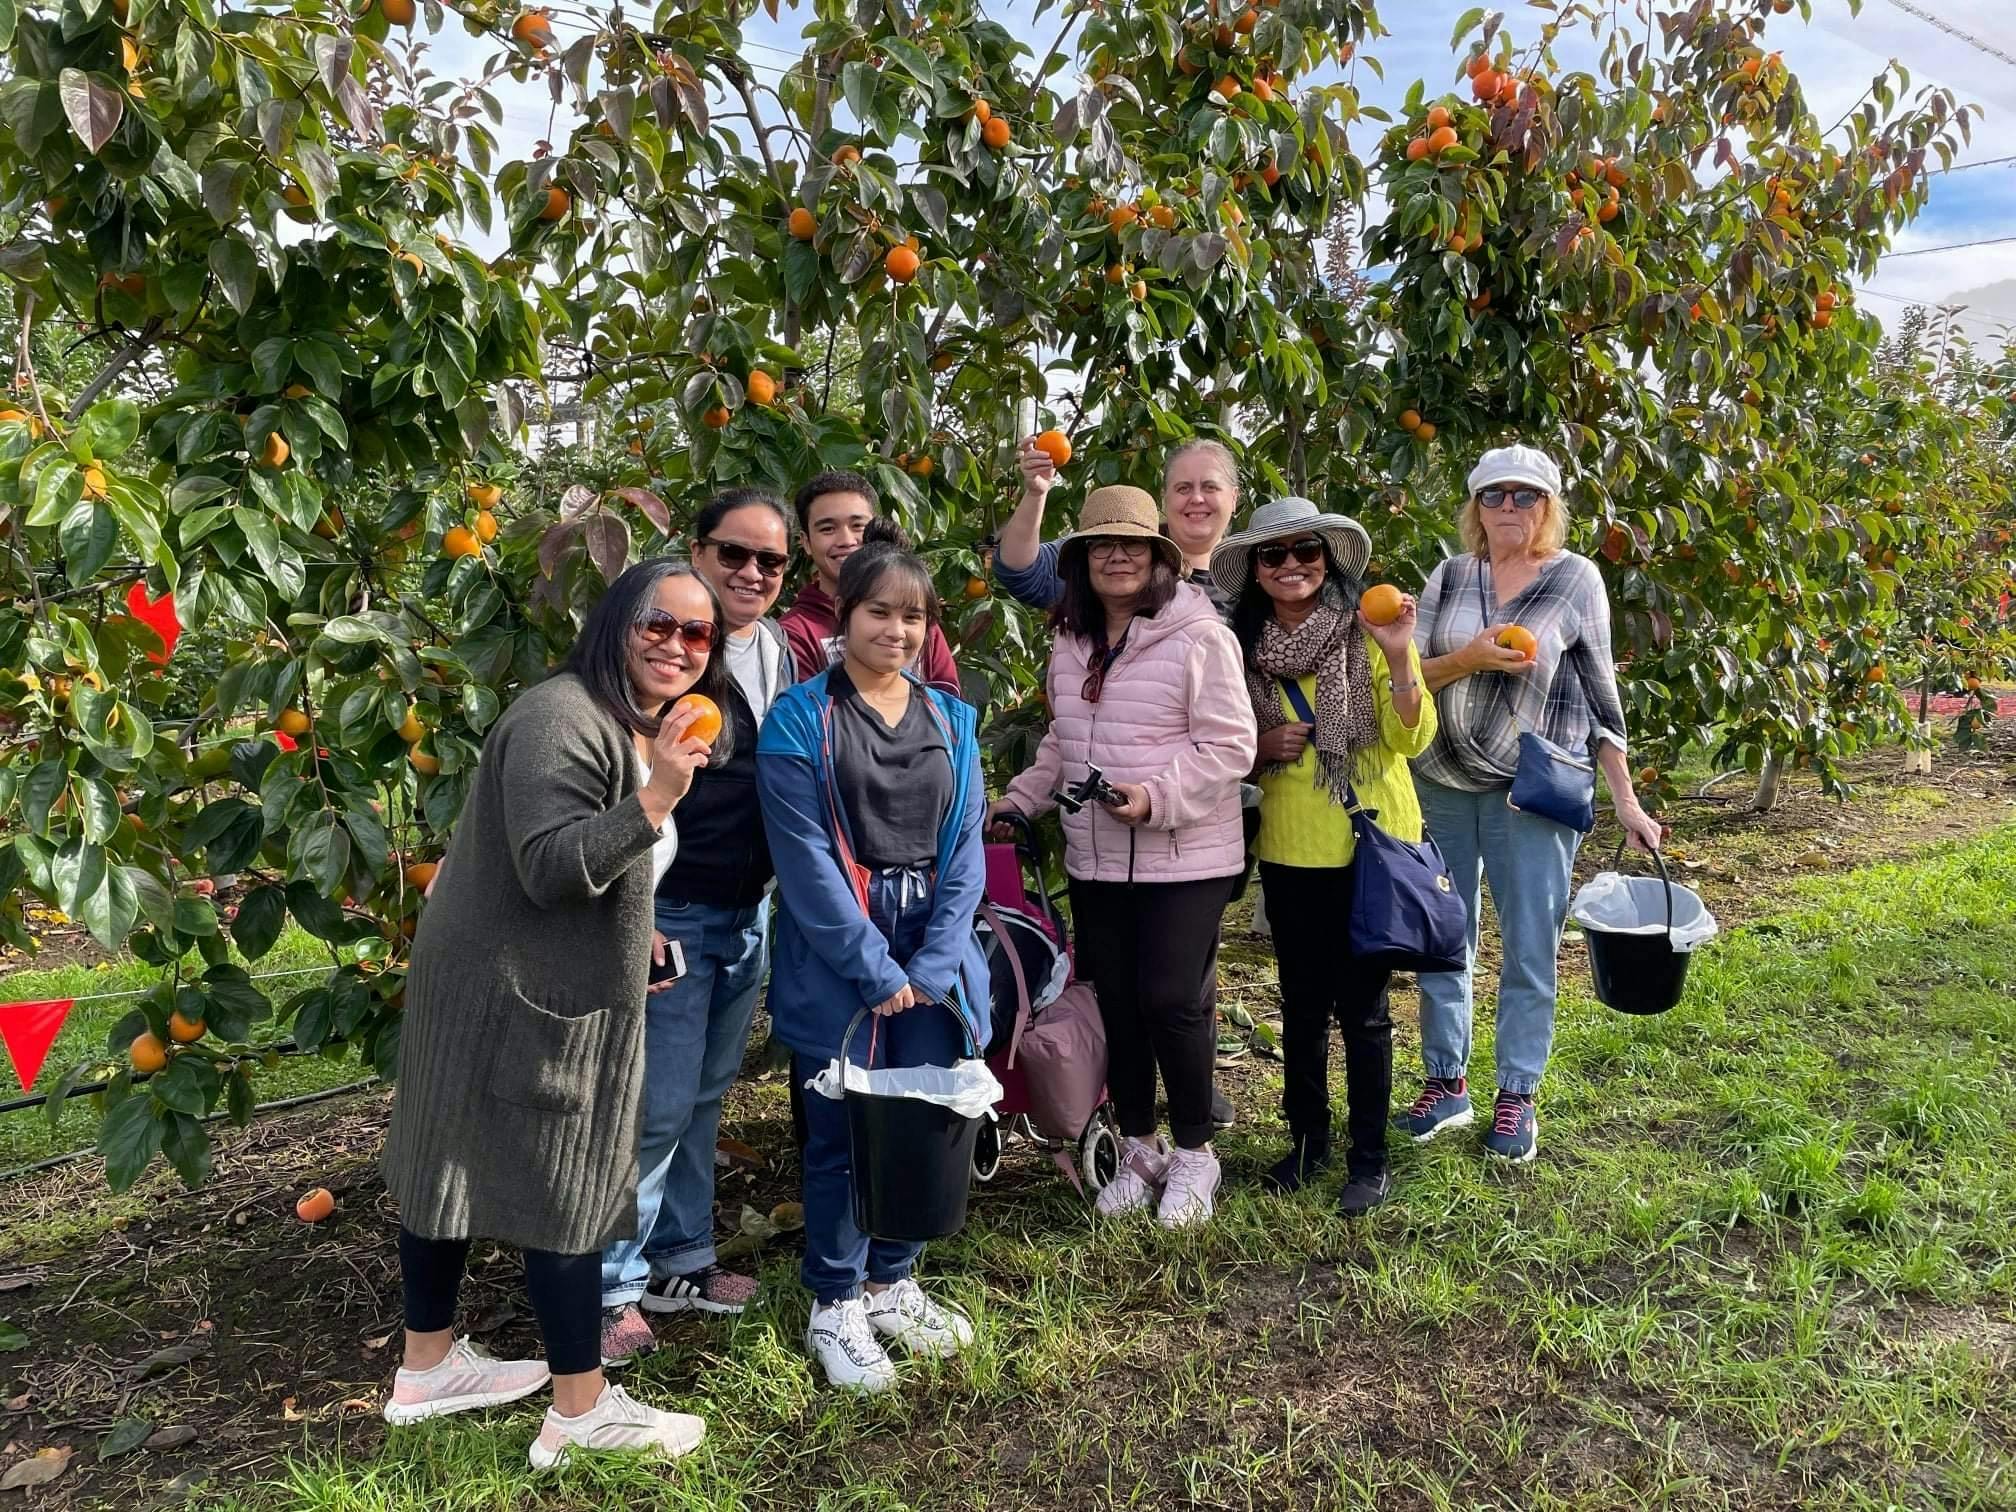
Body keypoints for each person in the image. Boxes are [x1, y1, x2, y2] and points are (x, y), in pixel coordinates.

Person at [379, 558, 731, 1468]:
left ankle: (425, 1369)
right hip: (521, 988)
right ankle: (580, 1414)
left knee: (448, 1153)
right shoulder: (561, 716)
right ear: (616, 621)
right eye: (660, 623)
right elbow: (546, 864)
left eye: (699, 634)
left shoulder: (620, 722)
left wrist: (636, 935)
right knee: (565, 1182)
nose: (679, 646)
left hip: (507, 972)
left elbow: (595, 866)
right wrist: (656, 796)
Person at [756, 539, 990, 1393]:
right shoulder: (799, 719)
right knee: (841, 1129)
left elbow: (965, 852)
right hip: (838, 951)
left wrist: (930, 967)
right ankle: (835, 1297)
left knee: (921, 1119)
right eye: (879, 612)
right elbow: (806, 858)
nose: (897, 629)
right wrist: (872, 967)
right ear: (843, 616)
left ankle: (894, 1278)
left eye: (913, 616)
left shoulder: (953, 722)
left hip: (934, 948)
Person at [989, 486, 1257, 1228]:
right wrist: (1021, 799)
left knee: (1173, 999)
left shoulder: (1198, 635)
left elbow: (1230, 747)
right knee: (1117, 1003)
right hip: (1097, 858)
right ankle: (1141, 1145)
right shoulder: (1071, 639)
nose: (1116, 556)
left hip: (1187, 855)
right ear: (1079, 561)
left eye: (1132, 545)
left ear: (1158, 558)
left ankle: (1197, 1152)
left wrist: (1155, 796)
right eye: (1100, 545)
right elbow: (1062, 745)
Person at [1402, 445, 1664, 1163]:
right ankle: (1446, 1082)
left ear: (1549, 506)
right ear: (1475, 507)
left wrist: (1627, 803)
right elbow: (1409, 670)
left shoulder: (1575, 579)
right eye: (1495, 496)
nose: (1509, 508)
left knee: (1528, 944)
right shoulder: (1450, 577)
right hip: (1444, 781)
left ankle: (1516, 1093)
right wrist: (1470, 659)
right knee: (1441, 937)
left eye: (1526, 496)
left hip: (1533, 792)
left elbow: (1602, 697)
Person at [597, 490, 796, 1365]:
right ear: (696, 553)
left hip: (745, 908)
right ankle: (609, 1287)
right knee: (653, 1105)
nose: (752, 573)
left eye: (770, 561)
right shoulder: (667, 656)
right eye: (734, 554)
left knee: (706, 1095)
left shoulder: (779, 650)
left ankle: (681, 1260)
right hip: (670, 909)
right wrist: (631, 910)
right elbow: (617, 780)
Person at [1211, 499, 1439, 1216]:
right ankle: (1308, 1142)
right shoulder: (1238, 649)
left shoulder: (1365, 631)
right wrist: (1257, 749)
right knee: (1303, 1006)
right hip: (1290, 847)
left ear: (1327, 558)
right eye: (1273, 556)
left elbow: (1412, 738)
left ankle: (1369, 1157)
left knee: (1365, 1012)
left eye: (1305, 551)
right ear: (1253, 570)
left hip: (1369, 842)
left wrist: (1401, 652)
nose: (1290, 566)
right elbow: (1218, 742)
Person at [996, 435, 1242, 612]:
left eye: (1210, 487)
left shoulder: (1260, 571)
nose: (1197, 499)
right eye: (1183, 488)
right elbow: (1022, 573)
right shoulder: (1118, 550)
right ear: (1164, 499)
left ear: (1233, 498)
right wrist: (1036, 494)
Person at [779, 469, 961, 694]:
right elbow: (808, 716)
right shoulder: (794, 633)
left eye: (858, 526)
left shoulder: (912, 615)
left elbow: (949, 706)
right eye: (828, 529)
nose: (846, 540)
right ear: (806, 543)